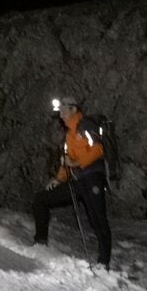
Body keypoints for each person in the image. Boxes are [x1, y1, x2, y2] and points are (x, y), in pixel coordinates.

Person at [31, 96, 112, 269]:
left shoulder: (86, 126)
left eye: (63, 108)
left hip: (92, 179)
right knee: (41, 199)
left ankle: (104, 262)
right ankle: (40, 243)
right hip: (77, 181)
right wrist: (58, 179)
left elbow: (97, 150)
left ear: (74, 109)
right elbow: (67, 162)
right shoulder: (69, 135)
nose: (60, 112)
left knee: (98, 220)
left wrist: (76, 163)